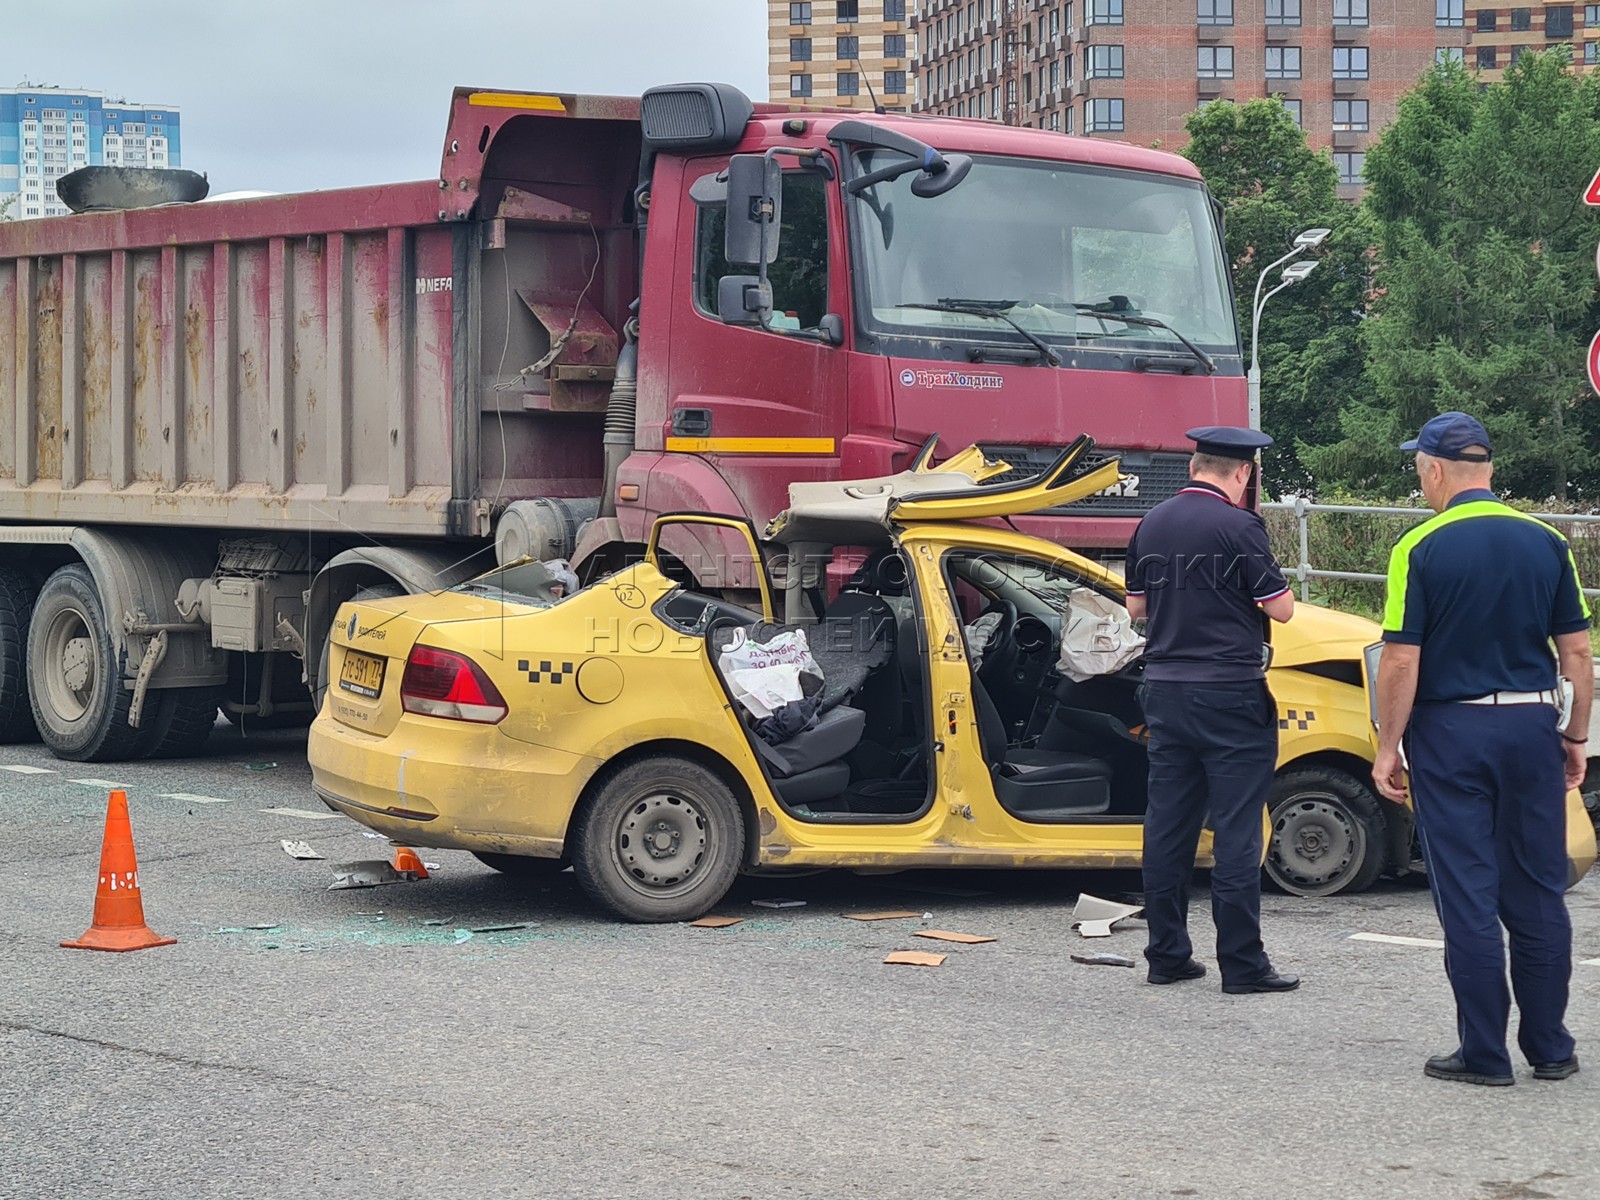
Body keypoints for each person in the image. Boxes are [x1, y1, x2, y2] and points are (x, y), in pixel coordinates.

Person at [1372, 412, 1592, 1087]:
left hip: (1451, 734)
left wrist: (1387, 747)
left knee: (1468, 894)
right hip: (1530, 729)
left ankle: (1485, 1054)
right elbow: (1578, 652)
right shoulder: (1548, 541)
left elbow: (1401, 663)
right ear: (1488, 470)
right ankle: (1552, 1047)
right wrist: (1576, 736)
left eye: (1420, 470)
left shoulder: (1420, 546)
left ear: (1436, 470)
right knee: (1537, 890)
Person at [1124, 427, 1299, 994]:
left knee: (1168, 827)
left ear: (1196, 466)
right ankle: (1243, 966)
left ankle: (1167, 954)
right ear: (1242, 473)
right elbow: (1283, 608)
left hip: (1167, 690)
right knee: (1237, 831)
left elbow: (1136, 608)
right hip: (1230, 694)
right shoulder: (1240, 526)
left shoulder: (1152, 522)